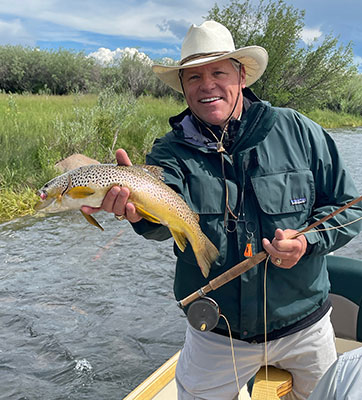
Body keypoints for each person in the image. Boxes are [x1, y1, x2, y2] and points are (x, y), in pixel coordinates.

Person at [82, 21, 362, 400]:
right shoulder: (169, 152)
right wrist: (137, 212)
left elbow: (349, 210)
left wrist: (308, 240)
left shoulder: (299, 131)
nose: (207, 84)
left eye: (218, 72)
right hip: (216, 334)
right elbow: (163, 222)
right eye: (194, 76)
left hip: (305, 326)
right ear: (183, 87)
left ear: (242, 75)